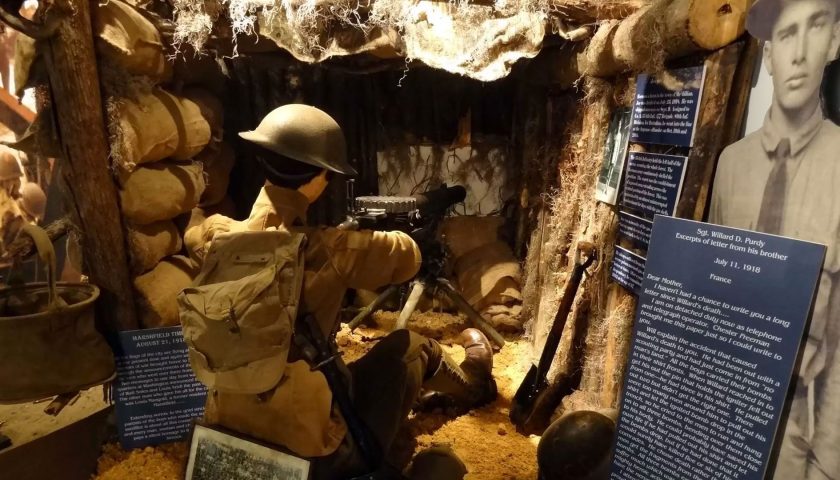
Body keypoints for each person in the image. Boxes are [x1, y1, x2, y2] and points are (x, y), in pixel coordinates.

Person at [185, 104, 496, 480]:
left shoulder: (215, 237)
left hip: (227, 434)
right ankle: (474, 386)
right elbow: (408, 257)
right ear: (319, 176)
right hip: (314, 456)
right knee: (411, 346)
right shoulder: (334, 249)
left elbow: (208, 232)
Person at [710, 1, 840, 478]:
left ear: (835, 42)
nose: (800, 53)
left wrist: (827, 465)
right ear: (768, 55)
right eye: (786, 36)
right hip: (728, 407)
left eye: (815, 28)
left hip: (798, 433)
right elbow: (716, 294)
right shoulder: (731, 164)